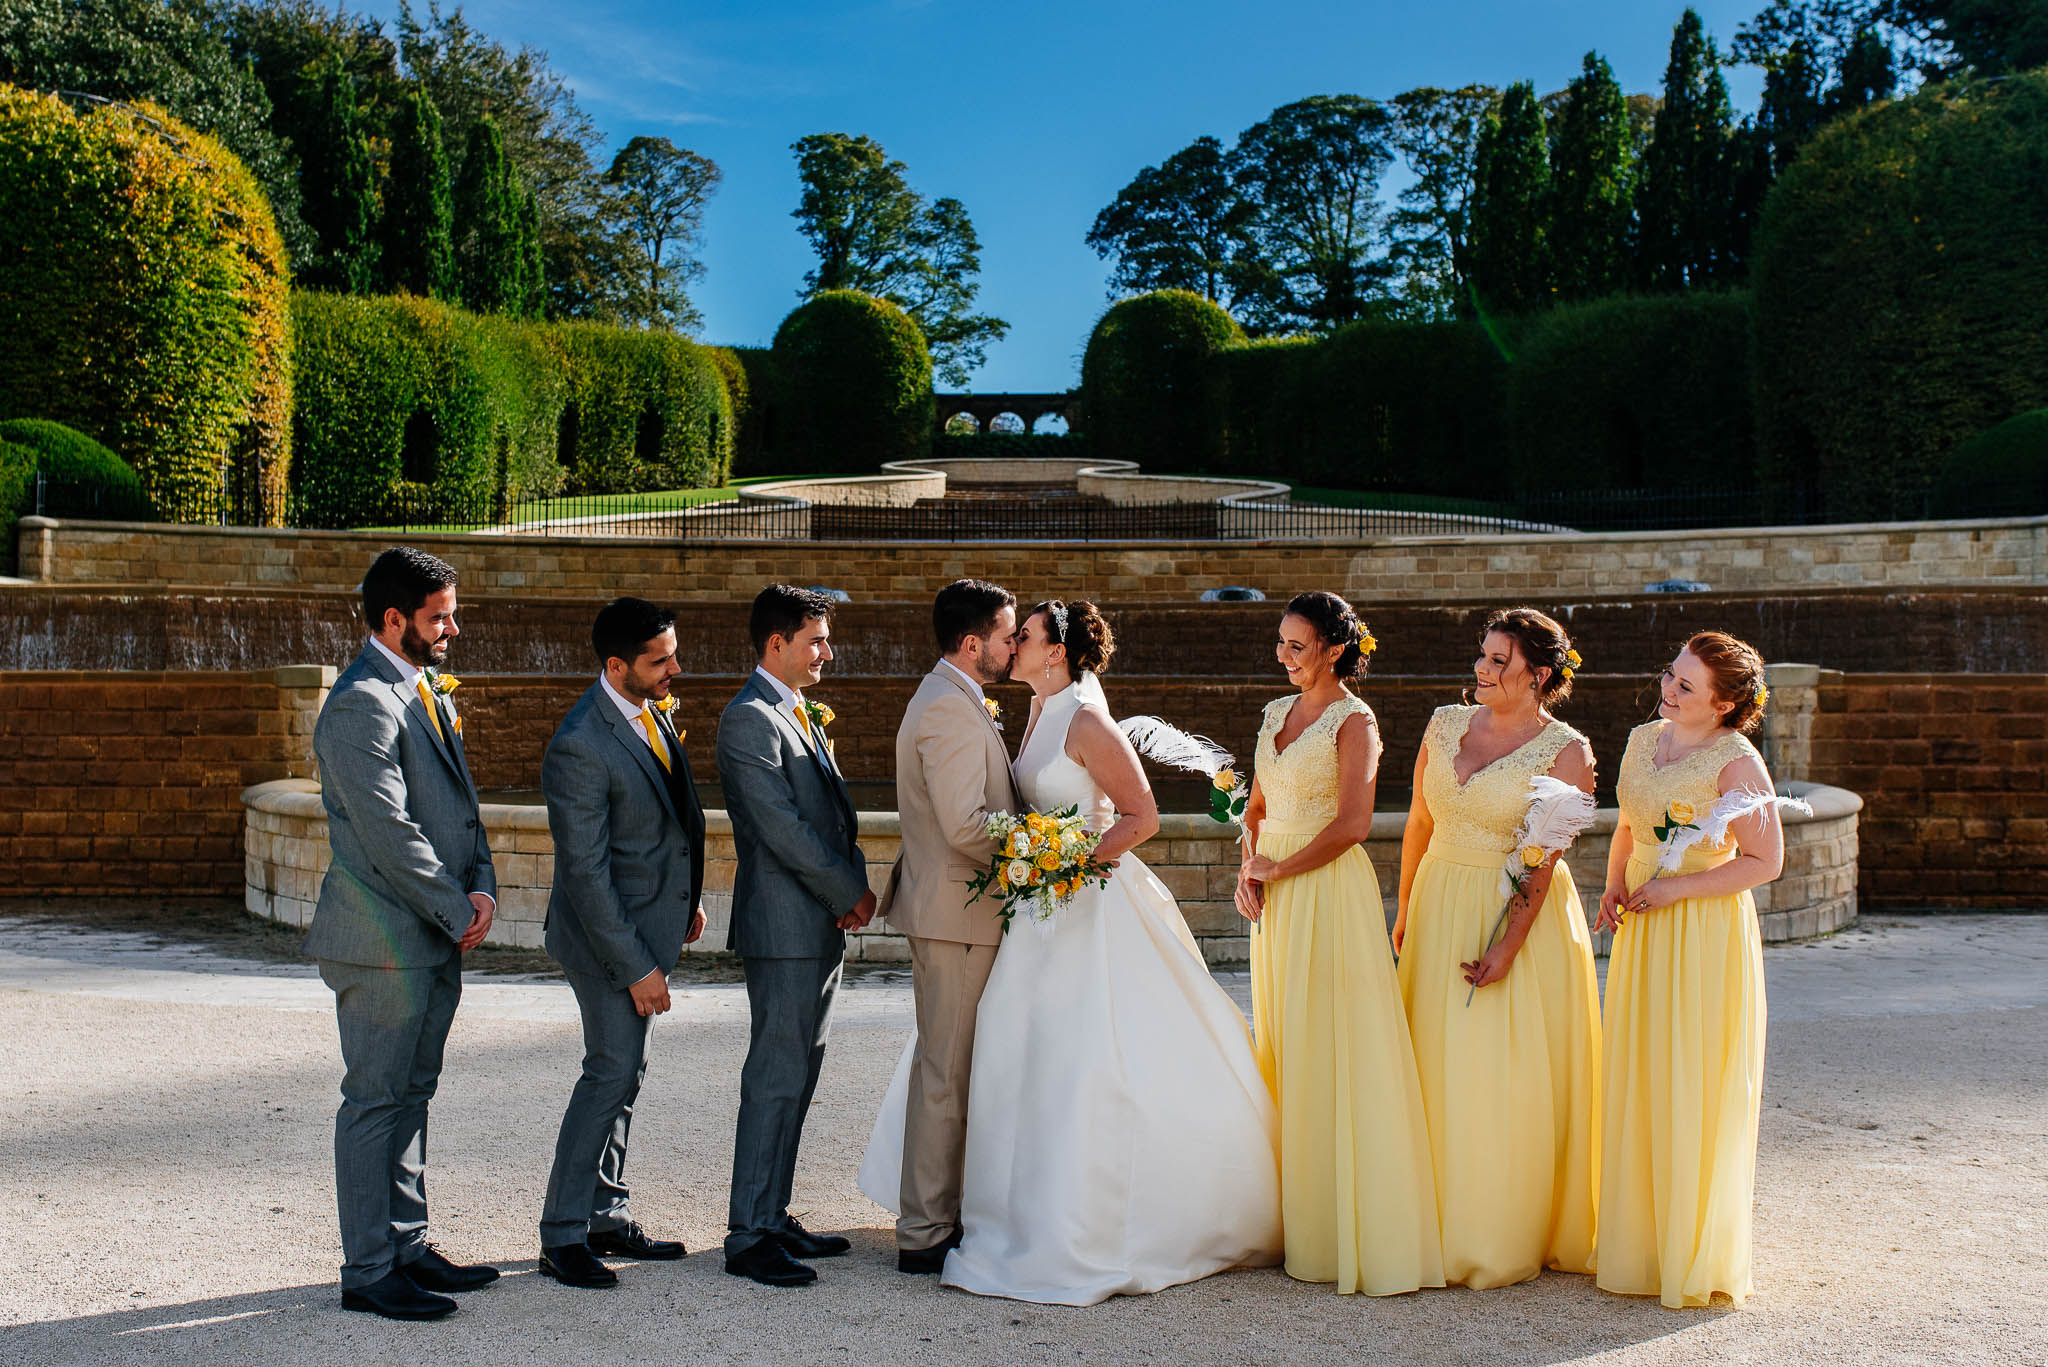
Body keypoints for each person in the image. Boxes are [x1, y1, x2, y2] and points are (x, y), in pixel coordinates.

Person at [863, 600, 1282, 1304]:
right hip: (1034, 904)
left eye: (1021, 636)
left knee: (1083, 1058)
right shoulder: (1034, 711)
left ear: (1054, 651)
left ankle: (1086, 1213)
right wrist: (1038, 861)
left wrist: (1069, 862)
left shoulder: (1087, 717)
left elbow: (1141, 815)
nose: (1011, 644)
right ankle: (996, 1203)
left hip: (1082, 900)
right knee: (1008, 1052)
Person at [305, 546, 500, 1321]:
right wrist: (458, 910)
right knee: (375, 1100)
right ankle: (368, 1270)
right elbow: (390, 831)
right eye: (439, 615)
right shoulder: (361, 702)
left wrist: (482, 881)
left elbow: (459, 807)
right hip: (382, 939)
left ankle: (409, 1246)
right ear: (395, 619)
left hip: (431, 935)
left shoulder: (421, 689)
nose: (453, 626)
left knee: (413, 1092)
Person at [1236, 590, 1443, 1297]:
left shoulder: (1356, 721)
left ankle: (1343, 1223)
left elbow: (1355, 822)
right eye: (1281, 643)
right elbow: (1258, 807)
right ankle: (1296, 1212)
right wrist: (1248, 868)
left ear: (1332, 648)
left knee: (1334, 1044)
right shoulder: (1273, 714)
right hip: (1276, 893)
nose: (1284, 655)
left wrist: (1280, 867)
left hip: (1328, 890)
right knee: (1288, 1040)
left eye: (1297, 645)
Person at [1393, 606, 1601, 1289]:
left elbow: (1541, 859)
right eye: (1481, 655)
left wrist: (1509, 943)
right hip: (1438, 899)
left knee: (1495, 1070)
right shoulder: (1444, 723)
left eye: (1498, 661)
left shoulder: (1567, 749)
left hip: (1515, 911)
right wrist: (1405, 907)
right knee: (1434, 1059)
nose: (1481, 669)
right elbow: (1420, 820)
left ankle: (1496, 1228)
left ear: (1539, 675)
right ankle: (1430, 1216)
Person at [1595, 632, 1786, 1309]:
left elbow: (1765, 860)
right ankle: (1642, 1240)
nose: (1668, 691)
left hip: (1702, 930)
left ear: (1726, 702)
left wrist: (1675, 890)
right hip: (1644, 925)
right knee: (1643, 1070)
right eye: (1670, 675)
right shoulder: (1647, 738)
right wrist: (1615, 883)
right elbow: (1629, 823)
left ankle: (1692, 1246)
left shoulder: (1738, 762)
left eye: (1685, 686)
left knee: (1693, 1076)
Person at [535, 597, 707, 1289]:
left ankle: (604, 1212)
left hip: (646, 925)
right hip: (606, 941)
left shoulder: (649, 710)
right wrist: (636, 964)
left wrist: (684, 904)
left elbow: (668, 820)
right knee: (609, 1071)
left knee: (626, 1074)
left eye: (672, 652)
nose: (674, 668)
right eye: (658, 659)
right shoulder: (580, 742)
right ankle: (562, 1233)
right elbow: (586, 873)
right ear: (616, 665)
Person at [719, 585, 876, 1288]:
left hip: (816, 924)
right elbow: (783, 830)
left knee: (800, 1075)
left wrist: (849, 889)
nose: (827, 651)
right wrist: (850, 890)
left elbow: (833, 817)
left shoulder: (797, 712)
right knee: (775, 1076)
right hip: (785, 927)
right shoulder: (749, 719)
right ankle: (748, 1233)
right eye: (815, 639)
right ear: (775, 642)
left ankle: (772, 1211)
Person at [872, 579, 1020, 1273]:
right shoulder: (948, 711)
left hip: (961, 912)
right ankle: (926, 1232)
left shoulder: (953, 698)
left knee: (951, 1070)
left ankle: (939, 1214)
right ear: (973, 642)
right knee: (946, 1075)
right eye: (1007, 635)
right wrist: (1047, 841)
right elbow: (966, 825)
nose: (1014, 646)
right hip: (959, 914)